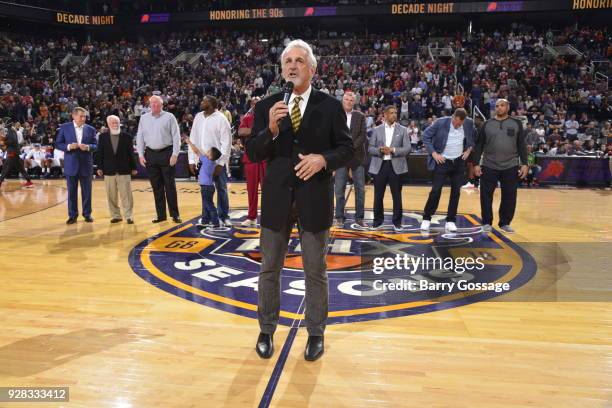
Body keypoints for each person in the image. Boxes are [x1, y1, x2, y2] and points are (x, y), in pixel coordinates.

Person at [246, 39, 353, 362]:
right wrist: (271, 131)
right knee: (269, 270)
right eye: (287, 61)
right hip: (277, 199)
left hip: (314, 199)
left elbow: (348, 149)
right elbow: (253, 152)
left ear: (312, 69)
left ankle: (316, 333)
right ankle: (266, 330)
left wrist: (323, 159)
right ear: (282, 69)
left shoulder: (331, 106)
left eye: (299, 61)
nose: (292, 66)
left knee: (315, 271)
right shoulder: (266, 106)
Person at [473, 99, 528, 233]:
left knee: (509, 196)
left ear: (508, 107)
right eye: (496, 106)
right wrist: (476, 164)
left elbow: (521, 144)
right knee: (486, 195)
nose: (499, 108)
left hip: (510, 165)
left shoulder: (516, 123)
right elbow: (479, 145)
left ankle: (505, 223)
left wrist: (524, 164)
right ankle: (486, 222)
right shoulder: (487, 124)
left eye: (502, 105)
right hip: (489, 164)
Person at [420, 108, 475, 232]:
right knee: (435, 190)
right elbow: (425, 136)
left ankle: (450, 220)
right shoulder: (440, 122)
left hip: (459, 162)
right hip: (442, 161)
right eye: (455, 123)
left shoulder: (469, 123)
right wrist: (434, 153)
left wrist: (469, 149)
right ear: (452, 117)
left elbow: (473, 138)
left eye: (459, 124)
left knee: (456, 192)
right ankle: (427, 218)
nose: (457, 126)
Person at [136, 95, 182, 224]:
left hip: (167, 153)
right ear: (149, 105)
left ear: (162, 105)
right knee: (156, 187)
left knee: (170, 186)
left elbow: (176, 137)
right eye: (152, 104)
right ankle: (161, 215)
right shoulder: (144, 118)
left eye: (157, 104)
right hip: (150, 154)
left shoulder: (169, 117)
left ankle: (175, 214)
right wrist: (140, 154)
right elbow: (140, 136)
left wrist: (175, 154)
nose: (155, 106)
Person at [188, 96, 232, 227]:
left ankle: (224, 216)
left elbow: (227, 143)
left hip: (217, 161)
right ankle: (206, 217)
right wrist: (191, 159)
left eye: (204, 101)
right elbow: (193, 138)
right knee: (205, 189)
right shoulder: (198, 117)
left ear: (212, 105)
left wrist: (221, 163)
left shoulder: (221, 119)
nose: (201, 102)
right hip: (202, 160)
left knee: (221, 189)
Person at [368, 105, 411, 231]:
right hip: (380, 166)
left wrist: (393, 150)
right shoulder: (377, 129)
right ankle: (377, 221)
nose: (394, 115)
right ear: (385, 115)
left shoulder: (403, 130)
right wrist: (380, 150)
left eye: (395, 113)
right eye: (391, 113)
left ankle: (397, 222)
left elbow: (408, 148)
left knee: (397, 196)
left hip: (396, 167)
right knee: (378, 196)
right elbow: (370, 148)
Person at [56, 107, 97, 224]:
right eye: (81, 116)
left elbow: (96, 145)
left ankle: (87, 214)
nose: (83, 118)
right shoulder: (64, 128)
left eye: (84, 116)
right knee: (71, 192)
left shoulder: (91, 129)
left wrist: (88, 147)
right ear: (73, 116)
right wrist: (69, 146)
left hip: (86, 165)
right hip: (71, 165)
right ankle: (72, 215)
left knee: (87, 192)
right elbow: (58, 144)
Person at [334, 90, 367, 228]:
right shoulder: (335, 115)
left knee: (360, 189)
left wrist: (350, 147)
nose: (349, 102)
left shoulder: (360, 116)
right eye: (346, 99)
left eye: (351, 100)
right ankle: (339, 217)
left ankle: (359, 218)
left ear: (354, 102)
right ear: (343, 100)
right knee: (339, 189)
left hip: (356, 157)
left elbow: (363, 136)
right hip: (341, 157)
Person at [96, 115, 137, 224]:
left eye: (117, 123)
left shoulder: (127, 137)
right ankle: (116, 215)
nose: (115, 125)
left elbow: (131, 154)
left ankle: (129, 215)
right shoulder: (102, 137)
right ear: (108, 124)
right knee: (111, 195)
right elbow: (100, 153)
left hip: (124, 170)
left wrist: (134, 167)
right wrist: (99, 167)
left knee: (127, 195)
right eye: (113, 123)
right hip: (108, 170)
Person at [184, 136, 222, 229]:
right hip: (209, 187)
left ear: (210, 156)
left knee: (209, 205)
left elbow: (197, 151)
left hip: (206, 187)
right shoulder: (213, 162)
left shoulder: (206, 160)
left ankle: (215, 222)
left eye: (208, 151)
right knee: (206, 204)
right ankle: (205, 221)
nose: (206, 152)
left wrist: (189, 142)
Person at [237, 96, 263, 227]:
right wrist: (258, 131)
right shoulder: (247, 118)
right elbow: (241, 131)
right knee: (251, 190)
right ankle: (252, 217)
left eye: (258, 103)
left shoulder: (268, 118)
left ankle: (268, 216)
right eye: (253, 103)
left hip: (265, 158)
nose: (255, 105)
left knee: (268, 190)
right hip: (251, 158)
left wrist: (251, 132)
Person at [0, 124, 33, 189]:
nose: (4, 124)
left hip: (12, 152)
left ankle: (0, 181)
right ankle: (29, 182)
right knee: (20, 168)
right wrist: (4, 138)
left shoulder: (10, 131)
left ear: (7, 124)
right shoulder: (12, 130)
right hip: (14, 152)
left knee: (5, 167)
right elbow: (11, 139)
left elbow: (12, 141)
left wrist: (4, 142)